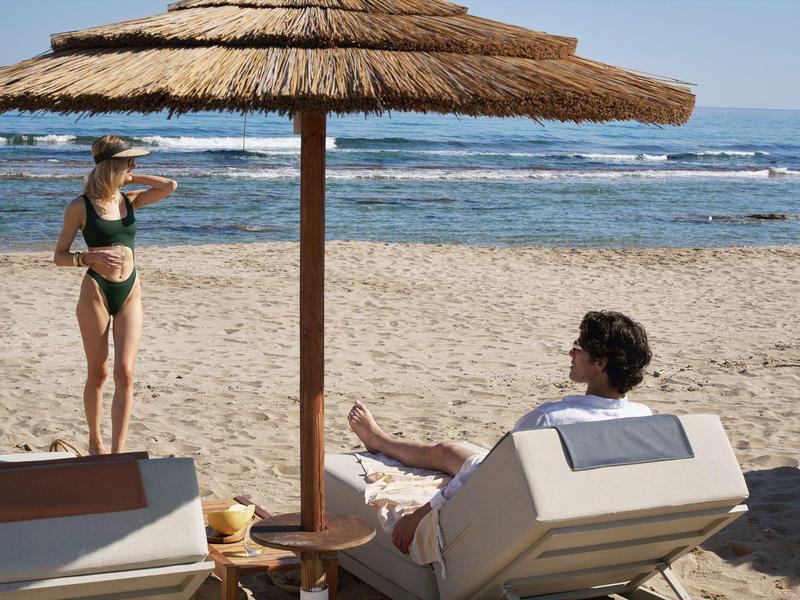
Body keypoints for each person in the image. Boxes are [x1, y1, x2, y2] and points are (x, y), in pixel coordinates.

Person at [348, 310, 653, 554]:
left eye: (578, 347)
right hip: (588, 521)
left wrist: (419, 515)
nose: (570, 353)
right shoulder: (643, 419)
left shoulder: (550, 419)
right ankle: (380, 440)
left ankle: (378, 440)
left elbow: (486, 478)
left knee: (443, 452)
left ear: (599, 363)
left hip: (523, 507)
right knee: (447, 453)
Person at [53, 135, 177, 455]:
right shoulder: (79, 207)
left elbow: (169, 185)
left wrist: (134, 176)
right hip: (96, 290)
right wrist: (87, 258)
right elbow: (59, 255)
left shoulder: (130, 199)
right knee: (99, 371)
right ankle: (96, 443)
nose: (134, 166)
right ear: (112, 165)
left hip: (129, 290)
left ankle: (119, 451)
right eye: (128, 161)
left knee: (125, 372)